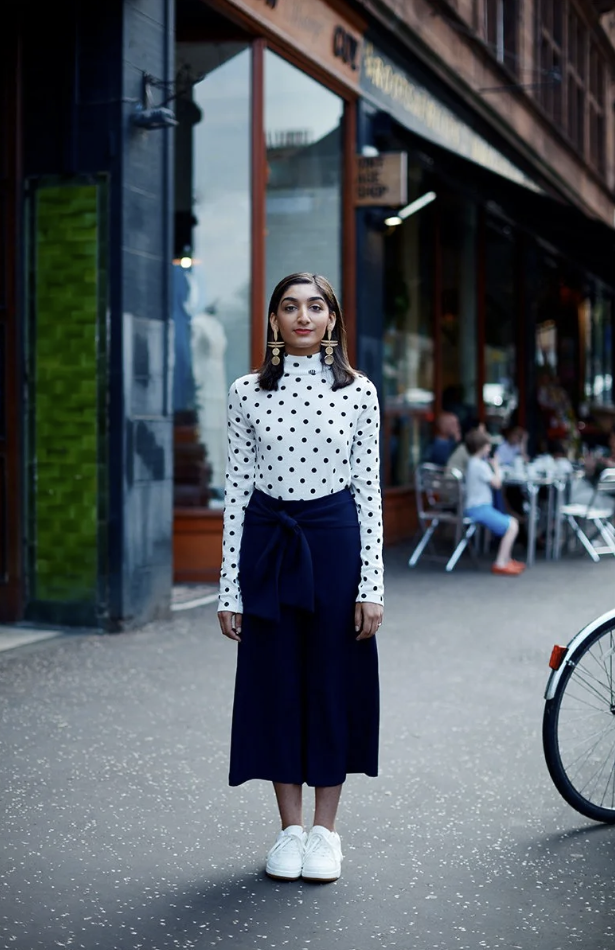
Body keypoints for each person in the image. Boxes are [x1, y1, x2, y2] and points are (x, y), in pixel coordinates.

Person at [217, 273, 384, 885]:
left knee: (332, 682)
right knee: (276, 681)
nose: (303, 317)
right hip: (269, 543)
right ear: (274, 321)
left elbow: (368, 491)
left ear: (333, 319)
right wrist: (229, 586)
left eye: (316, 307)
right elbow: (236, 490)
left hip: (336, 543)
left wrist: (373, 585)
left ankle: (326, 834)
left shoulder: (360, 392)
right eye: (290, 307)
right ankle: (289, 831)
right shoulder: (244, 393)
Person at [464, 428, 525, 576]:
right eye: (488, 445)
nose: (490, 448)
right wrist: (496, 466)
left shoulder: (473, 463)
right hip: (479, 508)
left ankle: (506, 558)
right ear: (482, 447)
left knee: (512, 522)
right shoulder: (480, 465)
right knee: (512, 526)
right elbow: (497, 483)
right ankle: (500, 562)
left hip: (475, 507)